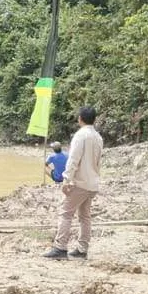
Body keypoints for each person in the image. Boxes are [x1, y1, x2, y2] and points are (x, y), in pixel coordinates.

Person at [43, 106, 103, 260]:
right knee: (85, 216)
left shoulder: (80, 136)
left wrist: (66, 179)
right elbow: (98, 161)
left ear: (80, 119)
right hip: (92, 183)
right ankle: (82, 249)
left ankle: (60, 247)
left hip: (80, 182)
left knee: (65, 213)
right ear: (94, 119)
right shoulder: (98, 137)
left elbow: (73, 159)